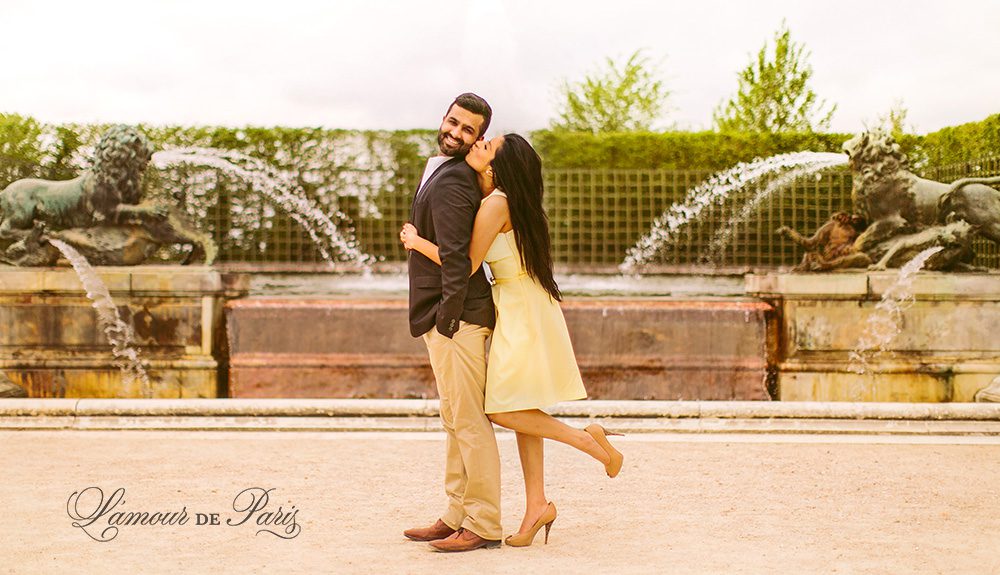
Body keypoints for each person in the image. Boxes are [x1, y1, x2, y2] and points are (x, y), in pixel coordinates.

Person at [401, 133, 624, 548]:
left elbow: (465, 263)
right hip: (525, 302)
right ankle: (537, 505)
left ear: (496, 166)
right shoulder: (510, 200)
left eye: (488, 145)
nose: (479, 143)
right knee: (523, 404)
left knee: (501, 410)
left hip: (520, 309)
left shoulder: (496, 204)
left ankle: (590, 442)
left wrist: (416, 242)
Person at [401, 93, 503, 553]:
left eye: (468, 130)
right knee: (454, 419)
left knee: (469, 421)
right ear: (443, 118)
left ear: (478, 138)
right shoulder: (446, 172)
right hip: (449, 315)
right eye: (453, 122)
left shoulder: (457, 181)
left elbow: (459, 261)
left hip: (456, 318)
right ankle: (456, 513)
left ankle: (484, 523)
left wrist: (446, 320)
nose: (456, 133)